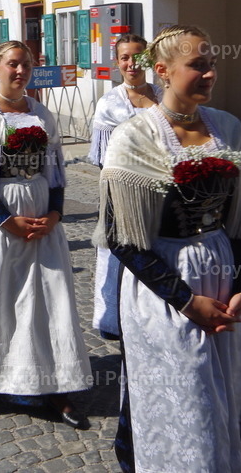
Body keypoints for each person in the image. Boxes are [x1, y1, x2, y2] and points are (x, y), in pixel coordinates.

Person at [98, 25, 241, 472]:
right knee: (184, 395)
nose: (210, 73)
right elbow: (122, 239)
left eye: (212, 64)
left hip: (222, 275)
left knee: (225, 391)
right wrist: (186, 300)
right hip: (165, 287)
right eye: (198, 65)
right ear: (162, 71)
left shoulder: (227, 128)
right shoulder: (133, 138)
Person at [0, 40, 92, 429]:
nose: (20, 71)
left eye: (26, 64)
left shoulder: (43, 115)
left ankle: (58, 386)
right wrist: (6, 220)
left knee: (48, 299)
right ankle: (6, 378)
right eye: (13, 64)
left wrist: (56, 212)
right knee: (3, 299)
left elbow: (55, 170)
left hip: (43, 220)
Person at [88, 33, 162, 340]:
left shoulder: (162, 95)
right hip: (123, 192)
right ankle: (115, 318)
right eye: (125, 58)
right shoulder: (110, 104)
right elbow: (105, 160)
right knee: (120, 252)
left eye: (137, 57)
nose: (132, 64)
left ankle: (157, 314)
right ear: (117, 63)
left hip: (161, 191)